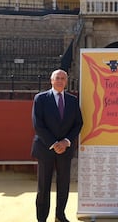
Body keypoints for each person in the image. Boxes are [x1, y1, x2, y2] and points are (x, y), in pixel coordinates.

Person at [31, 69, 83, 222]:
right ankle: (41, 218)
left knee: (63, 184)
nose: (60, 80)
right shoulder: (40, 99)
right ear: (51, 81)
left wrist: (66, 142)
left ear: (66, 81)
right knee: (43, 186)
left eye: (63, 78)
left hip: (65, 149)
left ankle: (60, 215)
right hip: (45, 148)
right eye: (57, 78)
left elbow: (78, 123)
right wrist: (54, 144)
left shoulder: (73, 100)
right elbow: (38, 125)